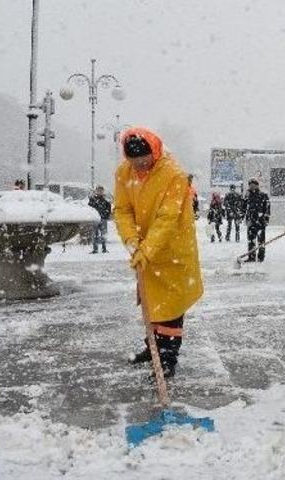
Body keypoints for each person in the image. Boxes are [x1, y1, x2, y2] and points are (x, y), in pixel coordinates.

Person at [113, 127, 203, 378]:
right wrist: (132, 241)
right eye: (135, 162)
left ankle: (167, 357)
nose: (140, 166)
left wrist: (148, 249)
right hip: (145, 249)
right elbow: (122, 210)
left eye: (144, 161)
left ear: (154, 152)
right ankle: (151, 348)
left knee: (171, 308)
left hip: (173, 248)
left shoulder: (173, 174)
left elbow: (167, 218)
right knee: (152, 304)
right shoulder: (123, 172)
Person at [243, 178, 270, 263]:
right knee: (251, 239)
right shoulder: (247, 195)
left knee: (261, 240)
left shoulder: (263, 195)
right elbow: (243, 207)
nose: (251, 187)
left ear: (257, 185)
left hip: (260, 221)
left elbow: (267, 208)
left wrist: (266, 219)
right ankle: (251, 257)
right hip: (251, 220)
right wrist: (244, 218)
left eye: (253, 185)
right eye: (250, 185)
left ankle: (261, 257)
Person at [88, 185, 112, 253]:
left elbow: (109, 209)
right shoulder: (92, 199)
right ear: (96, 191)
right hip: (95, 219)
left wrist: (106, 216)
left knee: (103, 234)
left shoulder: (105, 200)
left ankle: (104, 248)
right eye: (98, 190)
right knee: (94, 234)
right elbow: (90, 208)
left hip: (103, 219)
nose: (99, 192)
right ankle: (95, 249)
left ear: (103, 191)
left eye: (101, 190)